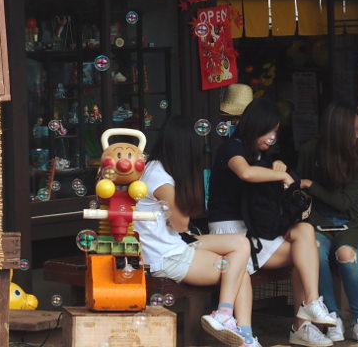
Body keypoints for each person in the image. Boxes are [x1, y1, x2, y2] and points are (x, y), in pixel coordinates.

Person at [207, 97, 338, 347]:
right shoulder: (231, 149)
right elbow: (245, 172)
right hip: (231, 232)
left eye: (276, 132)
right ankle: (301, 320)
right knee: (306, 249)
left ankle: (309, 310)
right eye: (269, 130)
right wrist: (281, 174)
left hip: (253, 229)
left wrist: (277, 167)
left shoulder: (259, 154)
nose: (272, 137)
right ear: (256, 126)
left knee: (305, 235)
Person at [135, 116, 261, 347]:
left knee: (241, 245)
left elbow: (179, 227)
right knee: (239, 270)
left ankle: (232, 321)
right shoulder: (161, 178)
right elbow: (182, 224)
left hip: (173, 242)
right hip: (165, 256)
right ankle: (240, 331)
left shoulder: (158, 168)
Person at [297, 101, 358, 342]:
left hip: (351, 224)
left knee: (346, 256)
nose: (357, 134)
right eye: (353, 129)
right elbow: (297, 187)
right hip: (317, 222)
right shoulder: (310, 150)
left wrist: (311, 185)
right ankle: (332, 316)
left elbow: (343, 202)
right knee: (315, 252)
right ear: (337, 131)